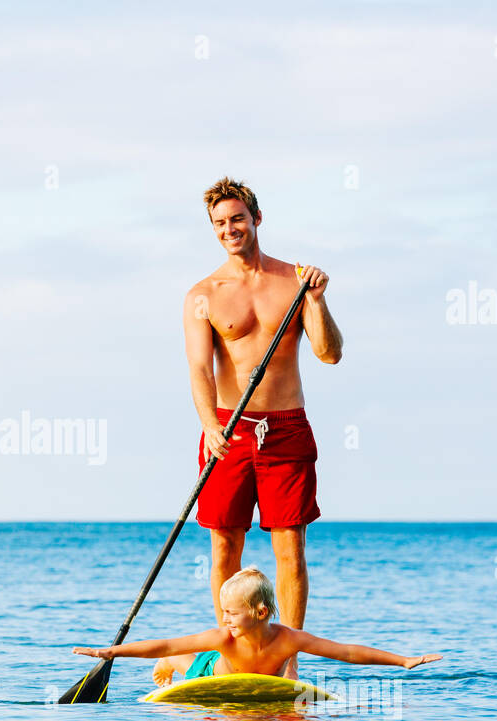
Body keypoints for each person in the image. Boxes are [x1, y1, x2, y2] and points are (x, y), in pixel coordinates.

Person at [183, 177, 344, 681]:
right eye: (219, 223)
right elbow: (200, 371)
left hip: (286, 429)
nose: (229, 229)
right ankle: (233, 655)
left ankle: (285, 660)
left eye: (236, 219)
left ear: (256, 219)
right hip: (227, 430)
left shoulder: (295, 281)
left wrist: (315, 300)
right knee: (224, 546)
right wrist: (210, 426)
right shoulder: (203, 295)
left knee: (290, 548)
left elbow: (330, 353)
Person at [73, 568, 441, 687]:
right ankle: (177, 669)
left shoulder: (288, 639)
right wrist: (110, 652)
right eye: (223, 612)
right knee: (184, 661)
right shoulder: (223, 637)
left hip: (258, 680)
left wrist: (403, 661)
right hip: (210, 675)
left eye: (232, 612)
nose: (225, 619)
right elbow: (165, 644)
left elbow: (345, 652)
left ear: (261, 612)